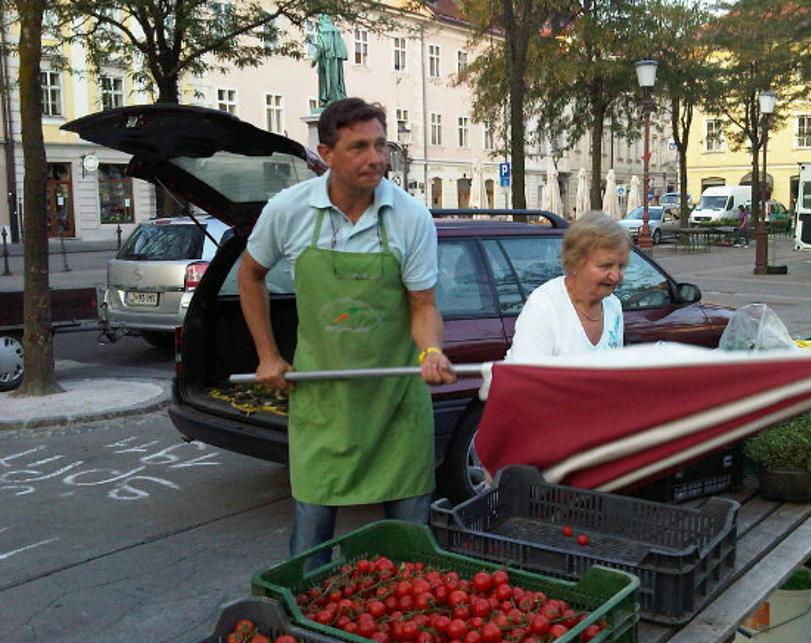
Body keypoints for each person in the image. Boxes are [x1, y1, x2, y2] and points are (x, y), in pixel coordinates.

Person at [237, 97, 456, 565]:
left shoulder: (411, 217)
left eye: (380, 145)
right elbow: (249, 274)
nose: (375, 158)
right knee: (310, 549)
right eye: (359, 147)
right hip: (323, 401)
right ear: (326, 153)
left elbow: (423, 305)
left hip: (395, 401)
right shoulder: (288, 210)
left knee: (407, 551)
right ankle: (305, 629)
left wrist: (432, 349)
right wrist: (267, 355)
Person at [506, 211, 628, 360]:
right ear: (575, 262)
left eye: (621, 266)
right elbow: (527, 378)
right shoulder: (544, 307)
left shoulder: (613, 306)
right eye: (605, 266)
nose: (616, 276)